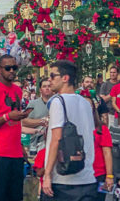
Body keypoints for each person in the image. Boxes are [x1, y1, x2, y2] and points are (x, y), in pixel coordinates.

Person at [41, 59, 97, 200]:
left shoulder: (58, 101)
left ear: (65, 78)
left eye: (53, 76)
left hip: (63, 179)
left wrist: (47, 174)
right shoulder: (85, 103)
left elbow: (57, 138)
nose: (49, 80)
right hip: (86, 176)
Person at [0, 55, 31, 201]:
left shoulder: (17, 91)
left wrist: (20, 146)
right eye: (7, 68)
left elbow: (15, 124)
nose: (12, 71)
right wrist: (6, 117)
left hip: (15, 154)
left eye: (14, 68)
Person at [89, 99, 113, 199]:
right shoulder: (73, 128)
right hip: (80, 175)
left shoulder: (102, 129)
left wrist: (109, 176)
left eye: (89, 105)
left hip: (99, 174)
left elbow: (107, 153)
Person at [22, 77, 52, 156]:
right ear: (40, 89)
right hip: (37, 144)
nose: (47, 88)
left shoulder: (58, 103)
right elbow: (24, 121)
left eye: (49, 86)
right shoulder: (33, 104)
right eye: (44, 86)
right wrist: (43, 121)